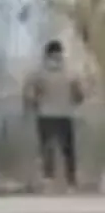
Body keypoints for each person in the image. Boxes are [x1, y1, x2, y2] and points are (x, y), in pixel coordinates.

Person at [24, 40, 85, 189]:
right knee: (68, 149)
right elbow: (79, 96)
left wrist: (34, 105)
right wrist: (72, 101)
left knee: (47, 147)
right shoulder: (71, 71)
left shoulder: (39, 72)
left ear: (46, 53)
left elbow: (31, 94)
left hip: (45, 114)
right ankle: (71, 181)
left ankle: (48, 178)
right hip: (65, 114)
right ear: (61, 53)